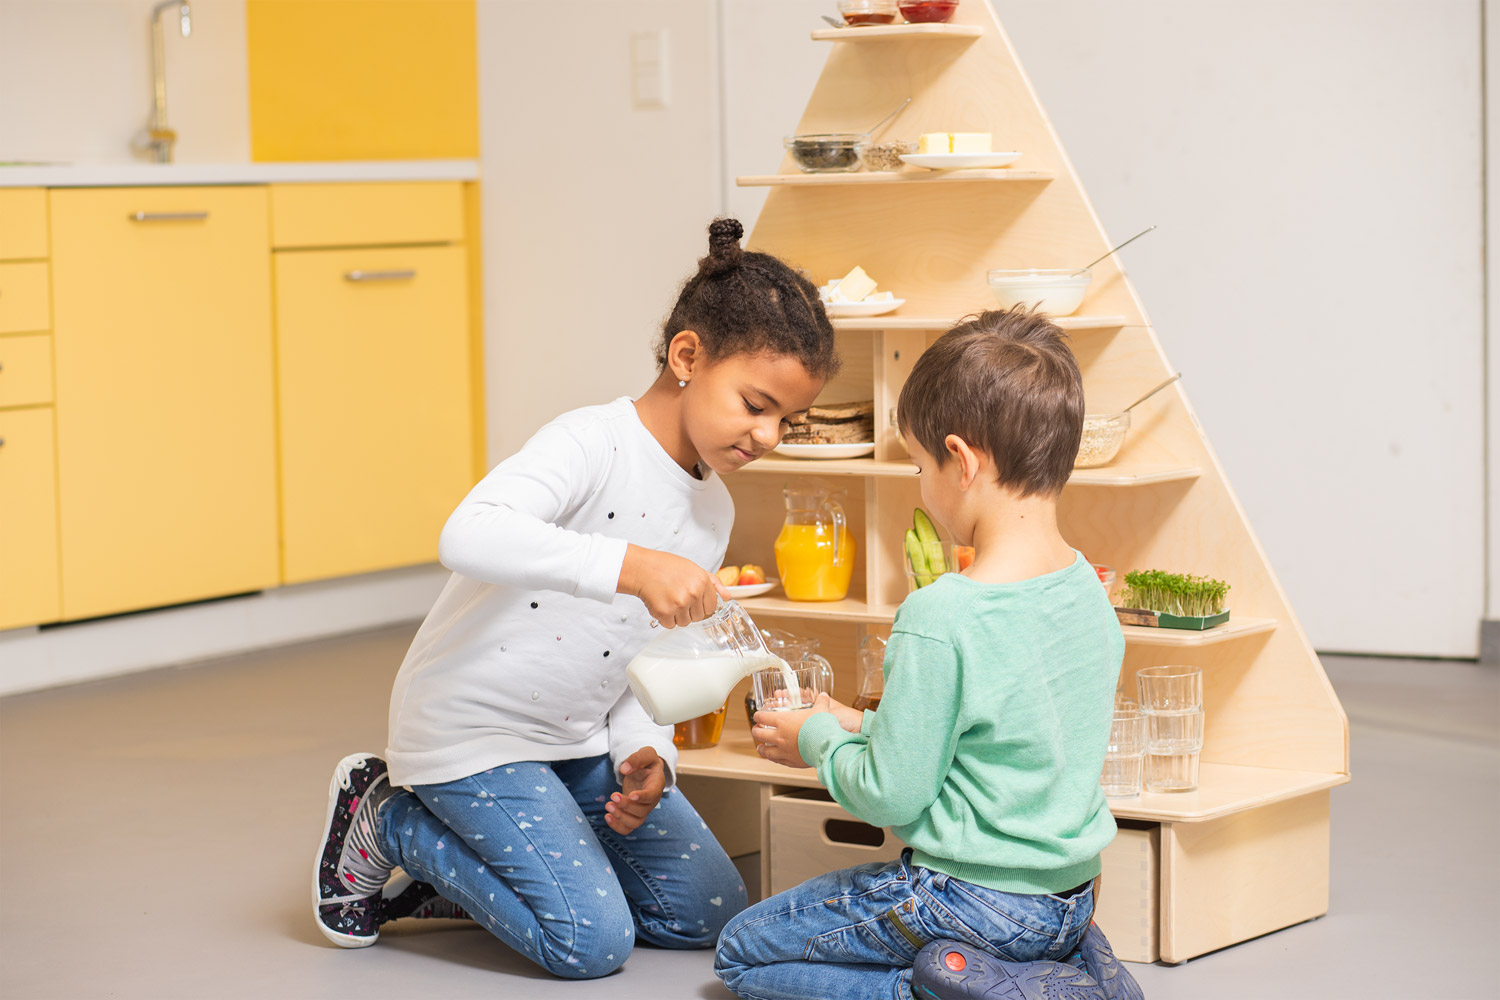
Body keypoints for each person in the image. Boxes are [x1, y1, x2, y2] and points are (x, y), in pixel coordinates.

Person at [311, 218, 839, 979]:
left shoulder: (713, 512)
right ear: (688, 355)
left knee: (709, 915)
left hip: (578, 740)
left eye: (786, 419)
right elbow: (468, 533)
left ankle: (509, 872)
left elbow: (641, 660)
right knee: (590, 944)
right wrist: (629, 564)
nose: (769, 435)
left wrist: (644, 752)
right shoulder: (592, 442)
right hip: (473, 734)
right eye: (756, 404)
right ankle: (387, 818)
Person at [716, 308, 1144, 1000]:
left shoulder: (942, 613)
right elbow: (1001, 742)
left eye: (920, 464)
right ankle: (1057, 973)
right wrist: (860, 726)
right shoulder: (1085, 588)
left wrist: (819, 739)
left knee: (739, 953)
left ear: (963, 461)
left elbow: (893, 794)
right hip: (1069, 898)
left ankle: (944, 992)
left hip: (964, 897)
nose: (920, 482)